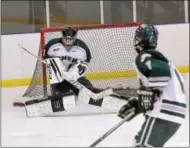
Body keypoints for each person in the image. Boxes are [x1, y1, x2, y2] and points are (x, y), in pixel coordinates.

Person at [118, 24, 187, 147]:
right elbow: (155, 89)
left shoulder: (146, 55)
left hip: (164, 111)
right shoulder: (159, 57)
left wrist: (147, 96)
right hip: (174, 113)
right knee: (139, 144)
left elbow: (161, 78)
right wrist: (140, 104)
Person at [44, 27, 102, 96]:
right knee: (60, 94)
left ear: (75, 37)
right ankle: (59, 93)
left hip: (75, 76)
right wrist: (59, 70)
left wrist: (74, 73)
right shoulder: (52, 45)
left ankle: (91, 91)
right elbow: (46, 59)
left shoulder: (82, 47)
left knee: (86, 90)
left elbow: (85, 63)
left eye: (70, 39)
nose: (68, 41)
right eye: (66, 39)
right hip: (58, 77)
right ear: (62, 36)